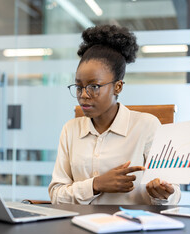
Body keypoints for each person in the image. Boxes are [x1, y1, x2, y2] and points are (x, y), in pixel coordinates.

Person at [48, 25, 181, 205]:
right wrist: (96, 184)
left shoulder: (147, 126)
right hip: (81, 227)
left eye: (94, 87)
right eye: (79, 87)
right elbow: (56, 195)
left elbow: (174, 195)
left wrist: (162, 194)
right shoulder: (70, 130)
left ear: (117, 87)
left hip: (132, 228)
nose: (84, 95)